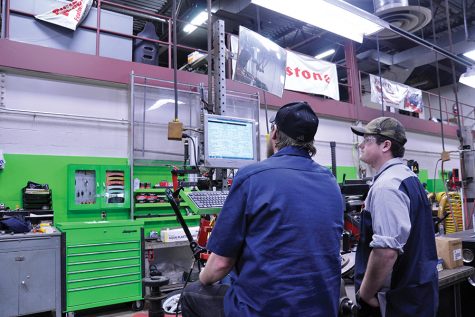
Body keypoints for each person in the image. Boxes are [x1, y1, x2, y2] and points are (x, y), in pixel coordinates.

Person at [181, 101, 344, 317]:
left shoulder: (251, 177)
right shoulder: (330, 180)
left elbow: (220, 263)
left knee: (192, 294)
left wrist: (202, 281)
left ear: (275, 134)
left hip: (268, 310)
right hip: (322, 307)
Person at [351, 117, 438, 317]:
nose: (361, 145)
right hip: (417, 294)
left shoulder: (387, 186)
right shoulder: (409, 178)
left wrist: (365, 293)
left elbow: (386, 252)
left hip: (396, 301)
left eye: (367, 140)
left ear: (386, 145)